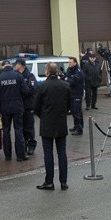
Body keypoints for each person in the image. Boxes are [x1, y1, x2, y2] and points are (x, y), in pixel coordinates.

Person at [33, 62, 72, 191]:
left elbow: (36, 106)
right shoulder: (65, 85)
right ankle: (64, 181)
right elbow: (70, 105)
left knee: (48, 153)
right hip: (61, 122)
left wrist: (43, 116)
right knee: (62, 153)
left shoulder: (43, 86)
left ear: (47, 72)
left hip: (47, 123)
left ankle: (49, 182)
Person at [0, 59, 31, 161]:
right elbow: (26, 91)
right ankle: (20, 155)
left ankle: (8, 155)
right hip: (17, 107)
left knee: (6, 131)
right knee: (18, 130)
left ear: (3, 66)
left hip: (5, 108)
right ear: (11, 65)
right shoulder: (18, 76)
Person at [15, 58, 38, 156]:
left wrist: (22, 94)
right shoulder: (16, 75)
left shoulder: (30, 76)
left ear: (21, 65)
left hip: (28, 106)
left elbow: (32, 90)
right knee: (21, 127)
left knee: (29, 127)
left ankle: (31, 145)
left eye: (16, 64)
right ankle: (23, 145)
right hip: (19, 106)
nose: (15, 66)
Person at [65, 57, 85, 135]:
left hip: (77, 94)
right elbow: (67, 79)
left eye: (70, 62)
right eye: (68, 62)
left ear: (75, 63)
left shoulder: (78, 72)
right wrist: (65, 77)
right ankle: (76, 126)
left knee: (77, 111)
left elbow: (72, 82)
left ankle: (79, 128)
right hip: (71, 93)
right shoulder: (69, 70)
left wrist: (66, 78)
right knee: (73, 111)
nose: (69, 63)